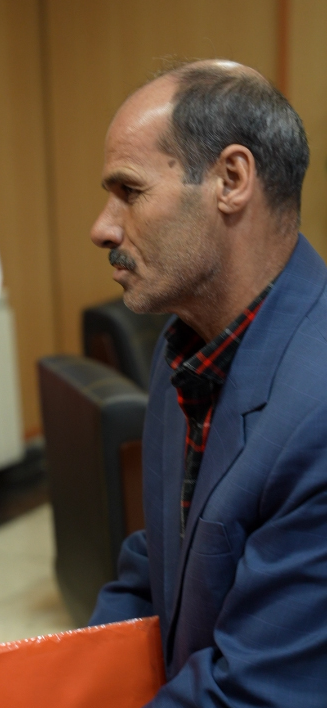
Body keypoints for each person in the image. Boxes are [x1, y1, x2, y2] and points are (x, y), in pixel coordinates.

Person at [89, 59, 327, 706]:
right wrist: (62, 677)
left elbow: (254, 694)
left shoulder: (318, 416)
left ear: (231, 180)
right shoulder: (187, 346)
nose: (102, 228)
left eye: (130, 191)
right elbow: (162, 559)